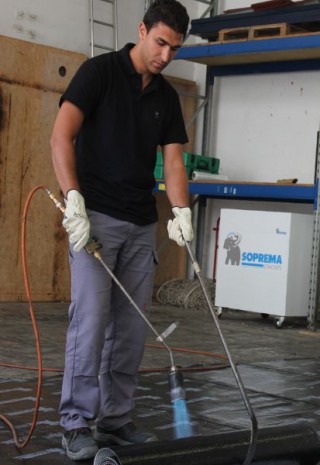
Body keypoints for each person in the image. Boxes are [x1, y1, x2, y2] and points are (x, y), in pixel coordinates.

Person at [50, 0, 194, 460]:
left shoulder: (166, 97)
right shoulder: (99, 73)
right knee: (90, 324)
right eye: (160, 43)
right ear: (142, 30)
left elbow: (173, 158)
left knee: (130, 330)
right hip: (96, 222)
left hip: (140, 224)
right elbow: (60, 135)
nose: (165, 55)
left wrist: (181, 210)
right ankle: (75, 422)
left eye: (174, 48)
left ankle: (114, 419)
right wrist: (72, 197)